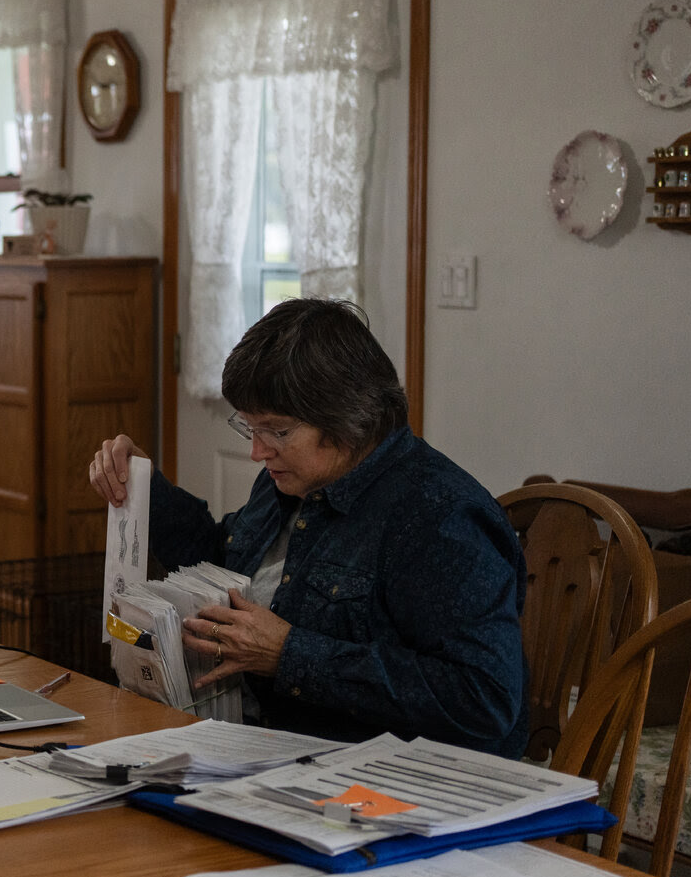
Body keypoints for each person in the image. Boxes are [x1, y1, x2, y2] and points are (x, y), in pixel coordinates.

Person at [90, 298, 527, 757]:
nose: (257, 452)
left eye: (276, 431)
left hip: (381, 780)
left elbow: (485, 698)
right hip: (260, 745)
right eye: (250, 428)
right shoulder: (292, 479)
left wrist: (289, 655)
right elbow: (222, 568)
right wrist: (147, 491)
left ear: (345, 421)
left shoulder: (439, 516)